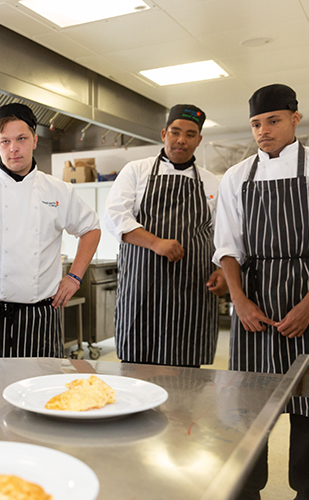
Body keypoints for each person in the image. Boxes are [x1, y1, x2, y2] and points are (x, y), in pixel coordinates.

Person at [214, 84, 309, 499]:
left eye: (273, 120)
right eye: (256, 123)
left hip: (305, 291)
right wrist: (238, 301)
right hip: (253, 300)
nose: (263, 131)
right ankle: (248, 490)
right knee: (250, 405)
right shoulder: (237, 176)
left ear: (295, 118)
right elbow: (228, 247)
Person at [0, 103, 101, 358]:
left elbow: (91, 228)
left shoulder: (59, 191)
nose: (13, 148)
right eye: (4, 141)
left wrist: (74, 278)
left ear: (35, 140)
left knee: (41, 387)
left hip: (41, 313)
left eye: (21, 139)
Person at [104, 104, 227, 367]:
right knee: (138, 371)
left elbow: (223, 233)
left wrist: (221, 269)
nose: (181, 140)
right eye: (175, 132)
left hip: (192, 293)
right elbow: (116, 217)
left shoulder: (212, 182)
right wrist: (155, 243)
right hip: (142, 291)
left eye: (190, 134)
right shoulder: (136, 171)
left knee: (188, 380)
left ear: (199, 140)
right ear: (163, 134)